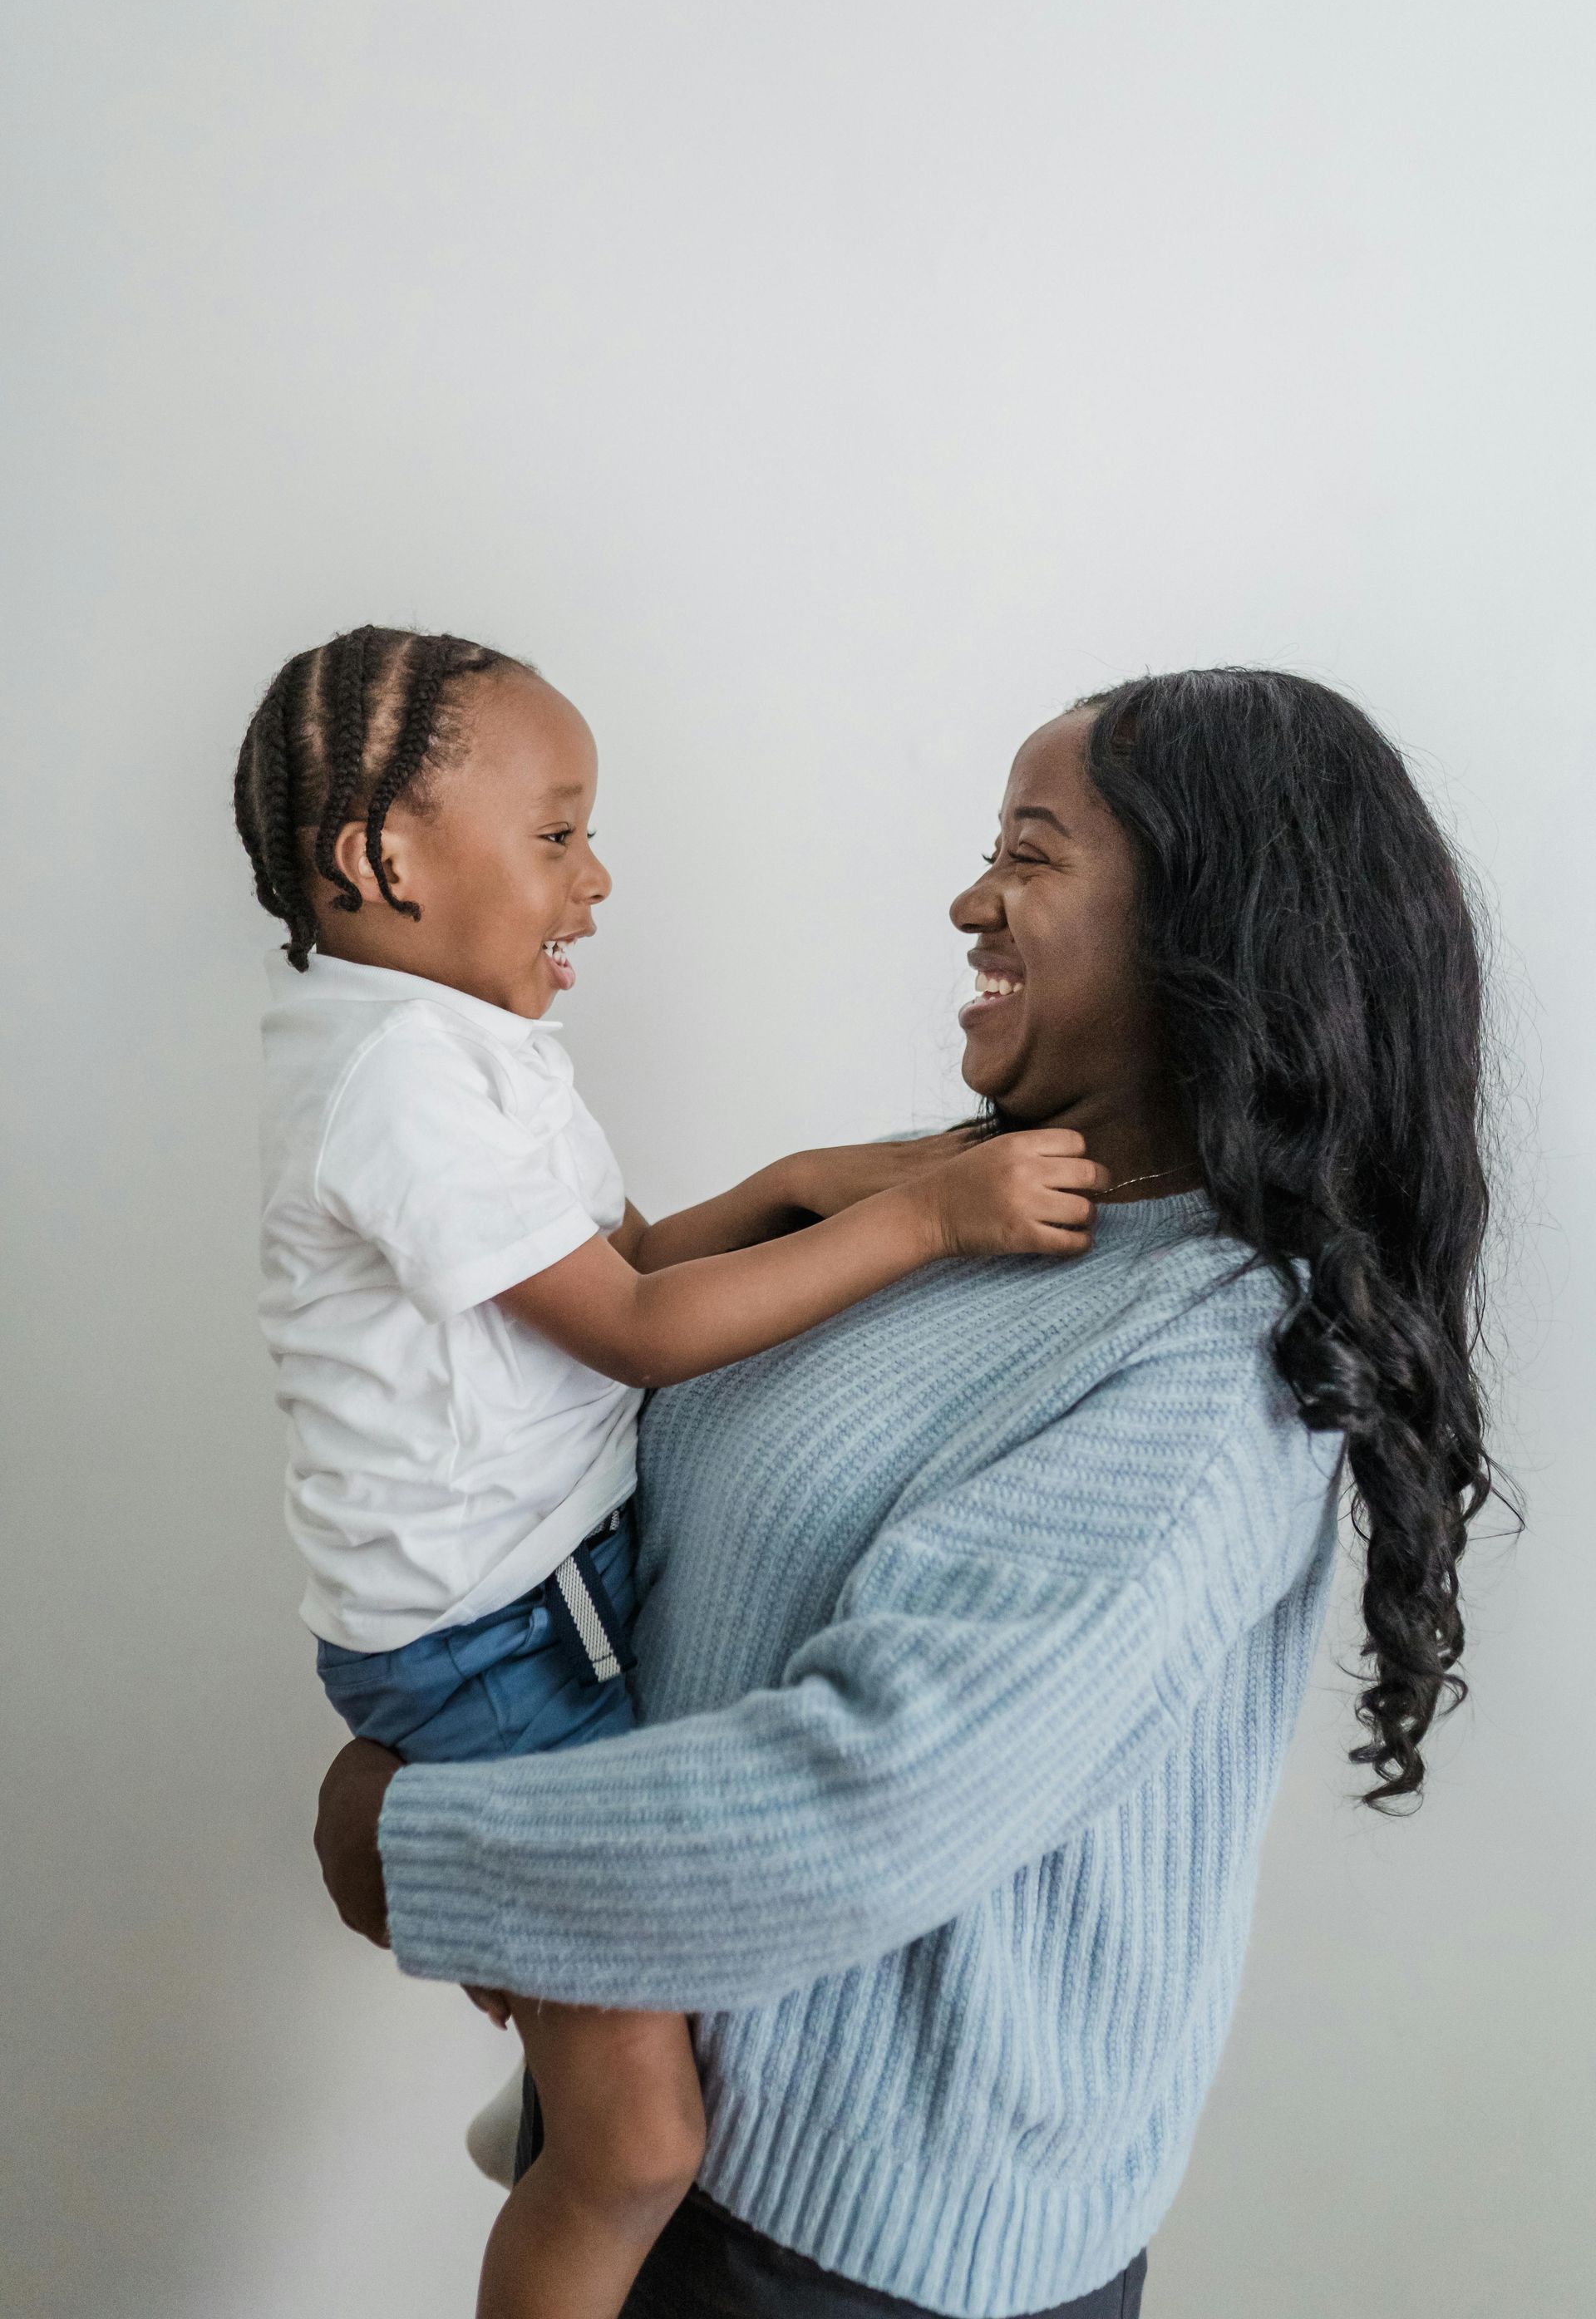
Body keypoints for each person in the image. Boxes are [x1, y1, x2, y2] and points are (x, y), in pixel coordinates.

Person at [315, 667, 1506, 2318]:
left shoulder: (1214, 1370)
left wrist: (417, 1841)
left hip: (854, 2259)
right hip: (672, 2144)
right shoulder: (968, 1208)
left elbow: (862, 1804)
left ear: (1204, 932)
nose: (969, 901)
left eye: (1029, 853)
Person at [234, 625, 1105, 2319]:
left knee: (639, 2029)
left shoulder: (450, 1045)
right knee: (642, 2149)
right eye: (556, 834)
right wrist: (927, 1216)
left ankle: (569, 2068)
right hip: (500, 1640)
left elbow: (619, 1255)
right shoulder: (400, 1078)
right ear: (380, 857)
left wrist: (810, 1185)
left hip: (551, 1589)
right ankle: (575, 2137)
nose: (598, 875)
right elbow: (632, 1325)